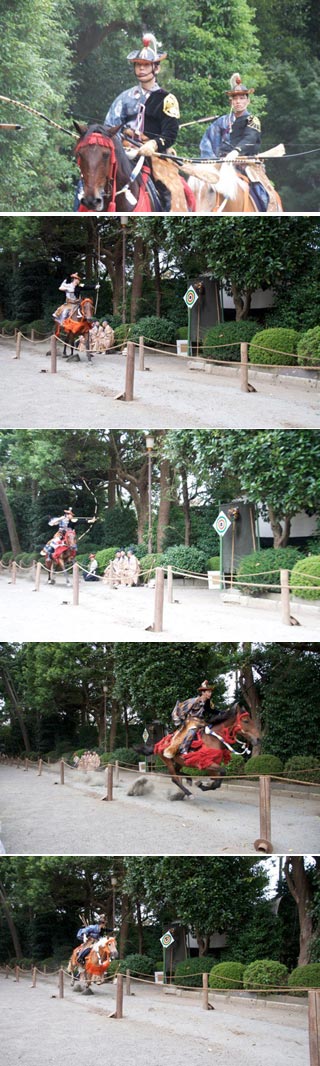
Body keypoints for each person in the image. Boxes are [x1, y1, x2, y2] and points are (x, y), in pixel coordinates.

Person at [74, 32, 180, 211]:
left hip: (151, 155)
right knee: (85, 182)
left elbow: (170, 134)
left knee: (169, 190)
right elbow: (109, 127)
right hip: (122, 151)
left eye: (146, 65)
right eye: (138, 65)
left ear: (157, 68)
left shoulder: (167, 99)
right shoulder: (124, 97)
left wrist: (153, 145)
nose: (141, 69)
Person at [200, 72, 277, 212]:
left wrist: (235, 152)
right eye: (235, 98)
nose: (238, 102)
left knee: (265, 195)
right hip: (220, 166)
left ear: (248, 101)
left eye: (242, 98)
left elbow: (250, 138)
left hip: (246, 165)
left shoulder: (252, 120)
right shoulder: (221, 122)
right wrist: (209, 162)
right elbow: (207, 140)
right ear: (231, 102)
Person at [163, 681, 226, 759]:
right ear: (203, 692)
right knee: (192, 731)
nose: (210, 694)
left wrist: (222, 712)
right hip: (191, 722)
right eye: (208, 692)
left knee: (212, 729)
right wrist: (182, 720)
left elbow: (210, 710)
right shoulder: (193, 701)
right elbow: (181, 708)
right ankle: (183, 750)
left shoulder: (207, 702)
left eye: (210, 692)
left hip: (200, 722)